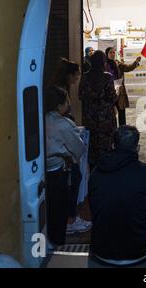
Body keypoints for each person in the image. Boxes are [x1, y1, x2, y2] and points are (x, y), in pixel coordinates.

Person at [88, 125, 146, 266]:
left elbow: (95, 211)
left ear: (113, 145)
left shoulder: (95, 173)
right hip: (140, 250)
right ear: (137, 148)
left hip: (101, 249)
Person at [44, 86, 92, 245]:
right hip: (59, 169)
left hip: (44, 169)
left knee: (51, 206)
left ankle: (54, 234)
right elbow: (78, 148)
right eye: (66, 101)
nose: (69, 103)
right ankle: (68, 225)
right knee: (61, 202)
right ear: (59, 105)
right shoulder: (64, 124)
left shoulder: (40, 118)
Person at [79, 50, 118, 169]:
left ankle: (92, 172)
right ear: (103, 63)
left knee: (91, 145)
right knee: (106, 146)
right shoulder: (108, 78)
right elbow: (112, 97)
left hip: (90, 117)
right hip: (105, 118)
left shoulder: (84, 77)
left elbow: (80, 96)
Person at [105, 47, 141, 126]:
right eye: (110, 53)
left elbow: (128, 68)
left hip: (119, 90)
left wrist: (136, 62)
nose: (112, 54)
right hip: (108, 91)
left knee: (121, 110)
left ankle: (122, 129)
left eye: (113, 52)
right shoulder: (104, 65)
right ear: (106, 54)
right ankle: (112, 129)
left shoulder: (117, 63)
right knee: (110, 112)